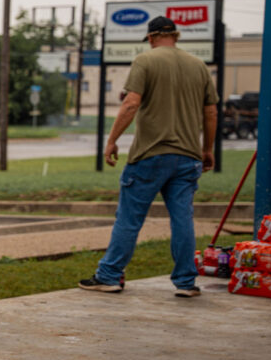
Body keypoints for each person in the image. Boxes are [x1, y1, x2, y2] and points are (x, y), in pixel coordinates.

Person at [79, 16, 218, 298]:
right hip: (188, 157)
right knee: (182, 219)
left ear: (152, 37)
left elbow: (131, 103)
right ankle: (185, 282)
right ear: (175, 36)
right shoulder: (199, 66)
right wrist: (207, 149)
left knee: (129, 218)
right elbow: (211, 112)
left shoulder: (146, 61)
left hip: (150, 155)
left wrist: (112, 140)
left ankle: (109, 276)